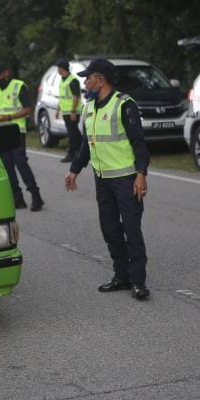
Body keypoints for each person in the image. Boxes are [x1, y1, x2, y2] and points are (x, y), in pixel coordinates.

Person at [64, 58, 151, 301]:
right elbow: (86, 144)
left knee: (132, 230)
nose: (85, 82)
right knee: (110, 229)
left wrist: (141, 175)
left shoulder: (124, 105)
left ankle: (138, 282)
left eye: (88, 77)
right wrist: (74, 169)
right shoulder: (89, 107)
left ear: (100, 79)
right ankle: (121, 276)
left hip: (126, 179)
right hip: (102, 180)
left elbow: (138, 142)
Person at [0, 63, 45, 211]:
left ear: (6, 73)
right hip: (1, 131)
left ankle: (36, 196)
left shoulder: (19, 86)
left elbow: (27, 109)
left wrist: (8, 117)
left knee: (21, 163)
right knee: (7, 165)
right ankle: (18, 199)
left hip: (16, 130)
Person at [55, 59, 83, 163]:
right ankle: (82, 150)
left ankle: (71, 154)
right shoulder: (62, 80)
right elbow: (62, 97)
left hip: (72, 112)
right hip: (66, 112)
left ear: (62, 68)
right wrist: (58, 110)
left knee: (72, 134)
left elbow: (76, 96)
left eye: (58, 68)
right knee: (74, 132)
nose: (58, 69)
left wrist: (73, 111)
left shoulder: (72, 80)